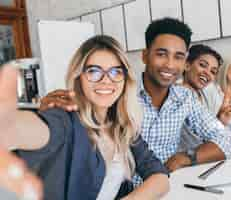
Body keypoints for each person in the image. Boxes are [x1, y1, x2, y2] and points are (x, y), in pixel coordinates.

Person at [39, 18, 231, 178]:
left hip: (165, 187)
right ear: (145, 56)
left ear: (185, 62)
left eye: (178, 57)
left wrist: (185, 157)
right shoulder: (117, 91)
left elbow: (226, 140)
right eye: (161, 54)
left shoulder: (185, 98)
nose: (169, 64)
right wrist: (54, 110)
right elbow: (80, 112)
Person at [0, 35, 169, 200]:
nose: (105, 80)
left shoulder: (122, 127)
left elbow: (160, 178)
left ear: (125, 79)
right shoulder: (64, 120)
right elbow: (14, 127)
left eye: (116, 72)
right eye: (94, 71)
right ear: (78, 77)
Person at [178, 44, 224, 152]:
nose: (207, 72)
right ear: (187, 65)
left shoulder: (202, 95)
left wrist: (221, 121)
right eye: (203, 65)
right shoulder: (178, 97)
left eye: (213, 71)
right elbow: (195, 141)